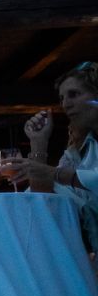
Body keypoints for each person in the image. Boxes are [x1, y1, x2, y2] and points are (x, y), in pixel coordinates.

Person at [19, 62, 98, 250]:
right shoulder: (81, 148)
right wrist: (39, 142)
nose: (65, 104)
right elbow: (44, 199)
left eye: (74, 94)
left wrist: (51, 172)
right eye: (62, 98)